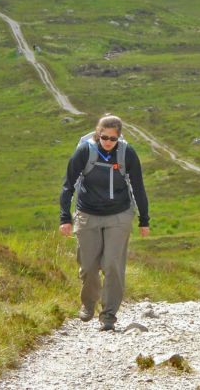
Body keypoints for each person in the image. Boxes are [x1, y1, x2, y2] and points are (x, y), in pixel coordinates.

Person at [59, 114, 150, 331]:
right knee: (88, 266)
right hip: (87, 215)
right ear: (97, 134)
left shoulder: (126, 153)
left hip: (119, 215)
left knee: (112, 265)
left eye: (112, 138)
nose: (108, 142)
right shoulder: (84, 152)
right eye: (104, 137)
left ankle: (108, 315)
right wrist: (65, 218)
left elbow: (138, 187)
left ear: (119, 138)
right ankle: (88, 304)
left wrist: (144, 220)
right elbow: (67, 186)